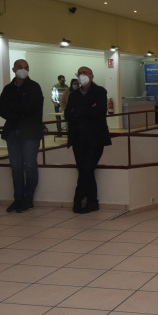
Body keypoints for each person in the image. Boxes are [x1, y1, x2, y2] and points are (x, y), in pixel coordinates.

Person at [0, 59, 44, 213]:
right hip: (12, 131)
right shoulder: (8, 89)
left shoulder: (34, 87)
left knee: (30, 165)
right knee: (16, 167)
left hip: (30, 132)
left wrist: (15, 110)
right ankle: (18, 198)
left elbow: (31, 108)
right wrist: (19, 111)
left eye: (25, 67)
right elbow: (2, 109)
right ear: (13, 69)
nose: (22, 70)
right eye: (19, 67)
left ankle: (28, 198)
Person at [65, 66, 111, 213]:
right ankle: (92, 201)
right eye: (79, 74)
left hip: (95, 139)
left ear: (91, 76)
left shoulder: (100, 92)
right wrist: (86, 110)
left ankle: (78, 199)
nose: (81, 76)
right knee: (85, 170)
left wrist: (78, 111)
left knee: (87, 168)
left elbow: (99, 111)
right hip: (78, 139)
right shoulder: (74, 95)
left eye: (84, 73)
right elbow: (68, 114)